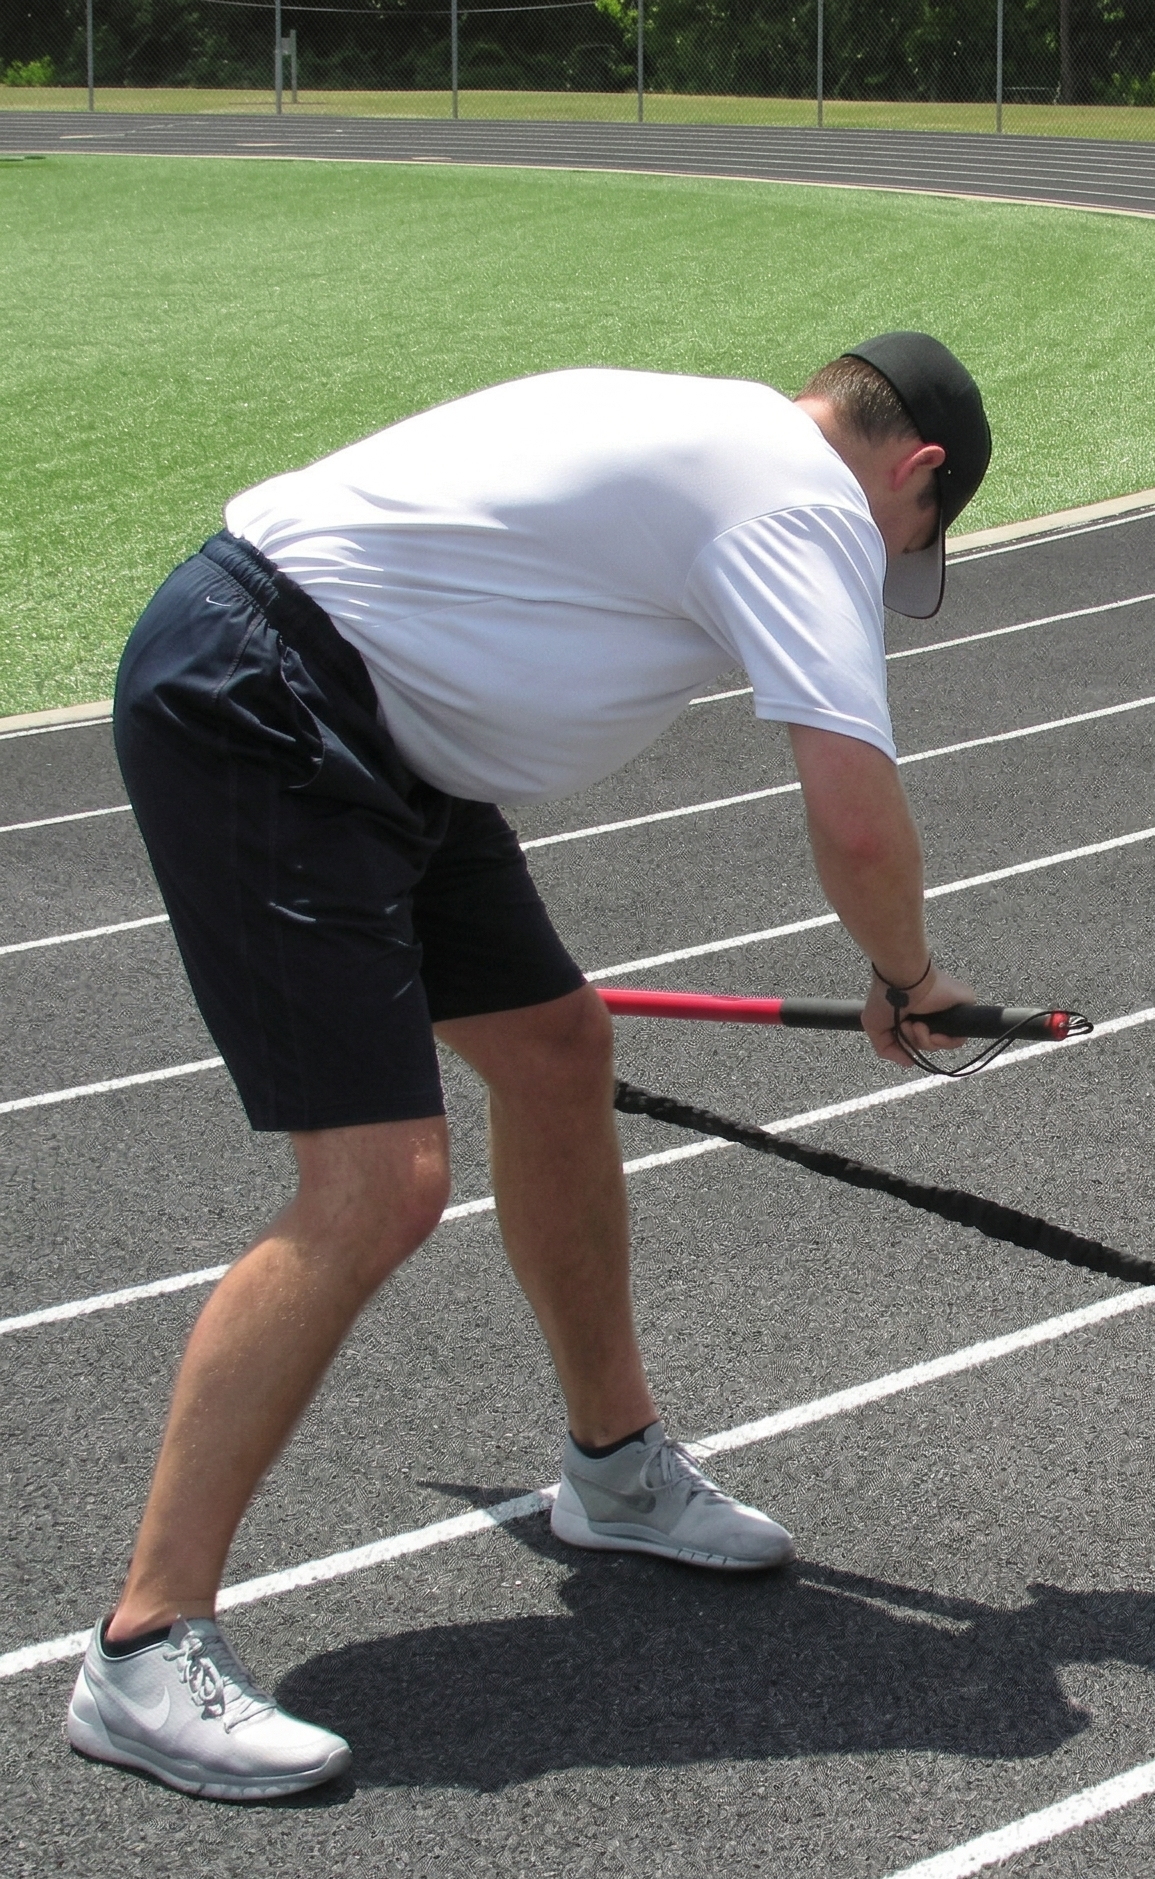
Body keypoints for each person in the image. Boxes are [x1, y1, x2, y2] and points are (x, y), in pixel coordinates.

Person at [66, 333, 993, 1800]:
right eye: (911, 545)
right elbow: (857, 812)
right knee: (377, 1182)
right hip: (274, 702)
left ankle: (614, 1470)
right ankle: (141, 1644)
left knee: (561, 1049)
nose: (882, 570)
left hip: (380, 731)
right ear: (915, 471)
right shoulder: (809, 498)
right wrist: (909, 979)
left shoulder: (725, 435)